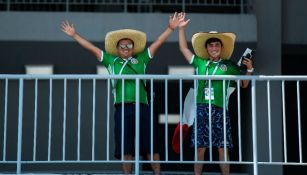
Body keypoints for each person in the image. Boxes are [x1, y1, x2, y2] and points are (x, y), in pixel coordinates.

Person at [61, 12, 183, 174]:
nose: (126, 48)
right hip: (122, 108)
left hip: (143, 107)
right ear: (117, 49)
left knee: (151, 144)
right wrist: (74, 35)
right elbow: (92, 48)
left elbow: (159, 42)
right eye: (122, 46)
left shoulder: (141, 59)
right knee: (125, 147)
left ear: (133, 48)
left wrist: (170, 28)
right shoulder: (111, 61)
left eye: (129, 45)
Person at [178, 13, 254, 175]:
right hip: (201, 109)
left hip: (220, 109)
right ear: (206, 48)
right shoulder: (200, 62)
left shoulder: (230, 66)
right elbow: (184, 48)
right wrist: (181, 29)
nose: (214, 48)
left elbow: (244, 84)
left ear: (221, 48)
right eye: (211, 45)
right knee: (200, 148)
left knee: (223, 147)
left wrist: (249, 70)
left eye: (217, 45)